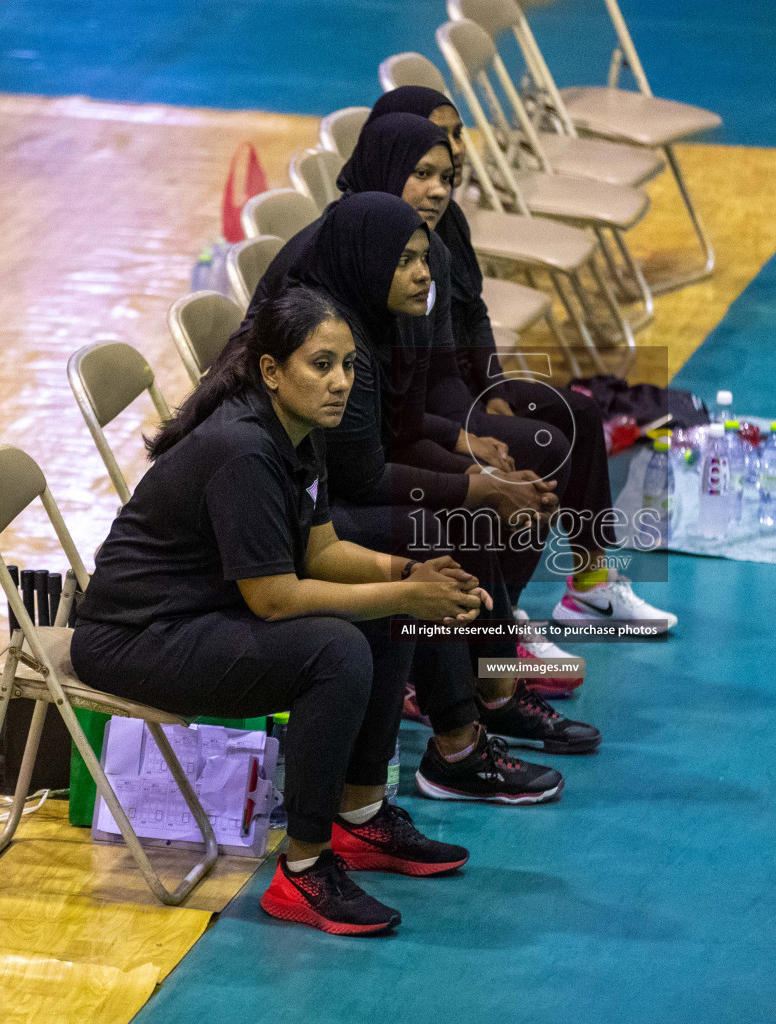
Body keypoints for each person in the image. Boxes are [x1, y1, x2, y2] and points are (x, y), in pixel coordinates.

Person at [70, 287, 482, 936]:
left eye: (348, 365)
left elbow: (322, 550)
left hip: (199, 614)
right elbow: (276, 598)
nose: (341, 381)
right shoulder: (243, 449)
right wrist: (406, 592)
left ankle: (360, 816)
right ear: (271, 371)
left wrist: (405, 574)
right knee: (336, 650)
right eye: (322, 365)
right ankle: (303, 868)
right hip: (135, 638)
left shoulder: (298, 428)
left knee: (383, 614)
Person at [253, 191, 599, 788]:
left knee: (458, 514)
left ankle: (493, 695)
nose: (424, 273)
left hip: (327, 490)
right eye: (407, 262)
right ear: (368, 260)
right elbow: (361, 475)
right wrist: (478, 488)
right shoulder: (332, 337)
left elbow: (400, 429)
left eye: (424, 259)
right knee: (435, 531)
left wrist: (473, 462)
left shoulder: (381, 316)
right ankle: (458, 746)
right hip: (285, 513)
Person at [361, 89, 680, 638]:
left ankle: (590, 588)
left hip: (458, 384)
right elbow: (412, 382)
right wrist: (472, 427)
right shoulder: (372, 233)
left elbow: (474, 311)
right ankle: (499, 616)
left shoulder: (446, 217)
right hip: (422, 401)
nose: (459, 153)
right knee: (541, 447)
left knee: (578, 414)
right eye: (442, 142)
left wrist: (497, 388)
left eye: (459, 136)